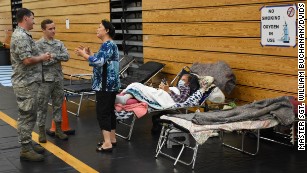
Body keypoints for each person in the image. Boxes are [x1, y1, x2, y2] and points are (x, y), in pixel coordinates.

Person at [10, 8, 51, 161]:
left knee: (30, 114)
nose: (34, 21)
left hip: (29, 81)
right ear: (26, 18)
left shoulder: (24, 35)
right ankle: (25, 148)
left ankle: (27, 142)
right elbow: (27, 60)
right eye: (33, 18)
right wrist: (42, 57)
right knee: (27, 115)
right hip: (25, 83)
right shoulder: (20, 36)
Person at [74, 19, 120, 152]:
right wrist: (90, 55)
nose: (97, 29)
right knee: (109, 111)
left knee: (103, 113)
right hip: (110, 85)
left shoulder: (107, 45)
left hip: (105, 86)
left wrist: (84, 55)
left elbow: (99, 62)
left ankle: (107, 143)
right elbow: (103, 61)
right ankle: (111, 139)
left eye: (99, 27)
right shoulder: (110, 45)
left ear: (106, 30)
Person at [36, 19, 70, 143]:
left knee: (58, 105)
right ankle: (41, 132)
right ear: (43, 30)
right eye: (50, 29)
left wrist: (54, 56)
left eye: (54, 28)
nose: (53, 31)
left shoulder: (59, 43)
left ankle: (59, 130)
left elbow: (67, 56)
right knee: (42, 106)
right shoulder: (38, 45)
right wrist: (50, 59)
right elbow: (40, 61)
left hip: (58, 79)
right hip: (44, 80)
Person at [115, 74, 192, 107]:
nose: (181, 81)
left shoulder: (186, 88)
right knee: (137, 85)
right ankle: (124, 98)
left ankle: (123, 99)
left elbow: (181, 100)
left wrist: (168, 91)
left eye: (183, 80)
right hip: (161, 93)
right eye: (181, 79)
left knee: (138, 85)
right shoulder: (177, 87)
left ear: (188, 82)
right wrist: (162, 88)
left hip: (164, 98)